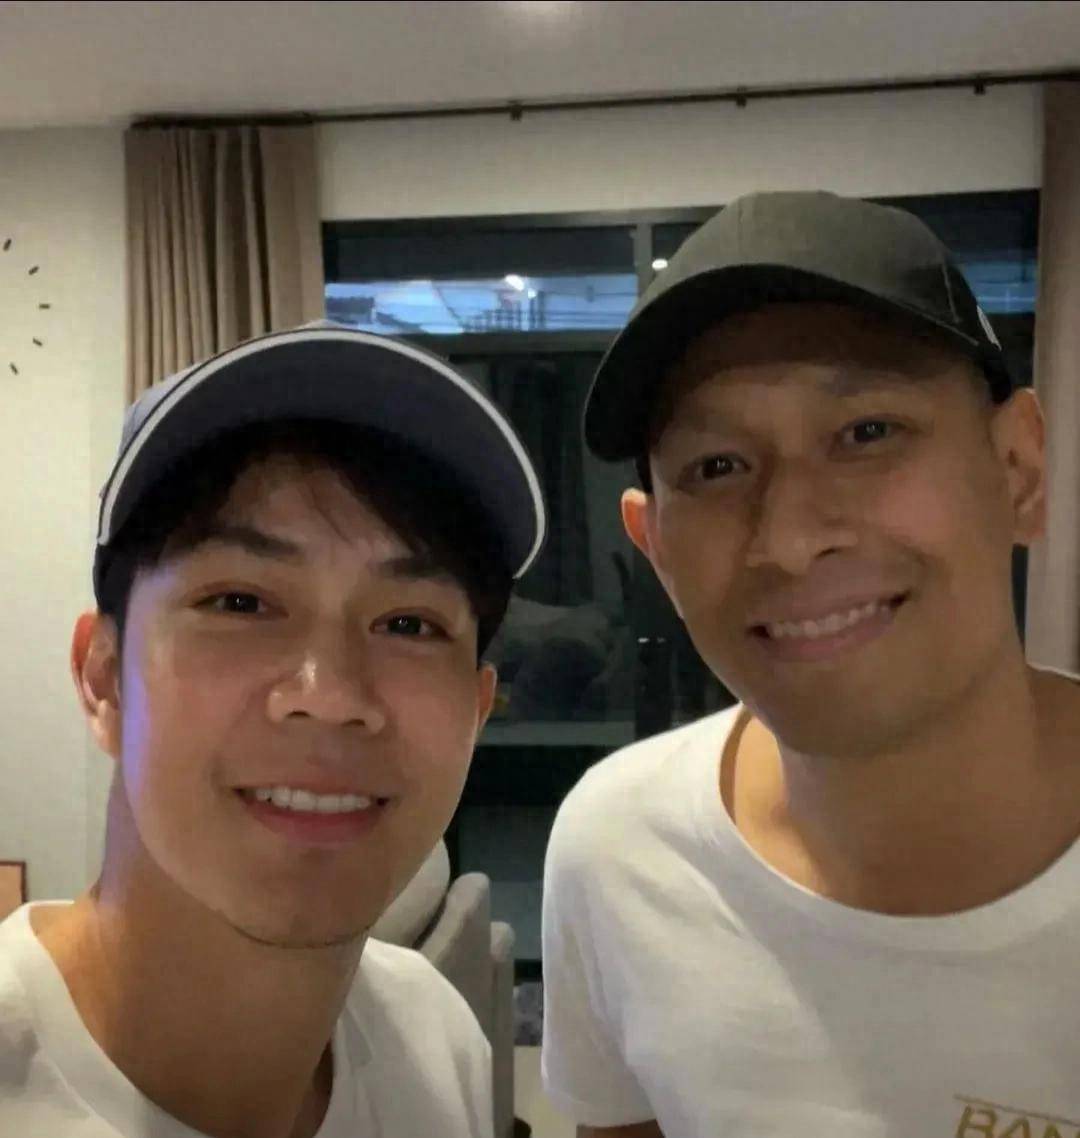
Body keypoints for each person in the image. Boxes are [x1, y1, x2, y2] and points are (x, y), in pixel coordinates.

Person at [541, 191, 1080, 1138]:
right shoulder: (617, 847)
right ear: (654, 546)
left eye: (867, 433)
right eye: (716, 467)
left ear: (1018, 471)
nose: (789, 540)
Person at [0, 322, 546, 1138]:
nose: (330, 695)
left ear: (476, 708)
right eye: (240, 603)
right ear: (103, 677)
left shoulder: (436, 1042)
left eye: (409, 623)